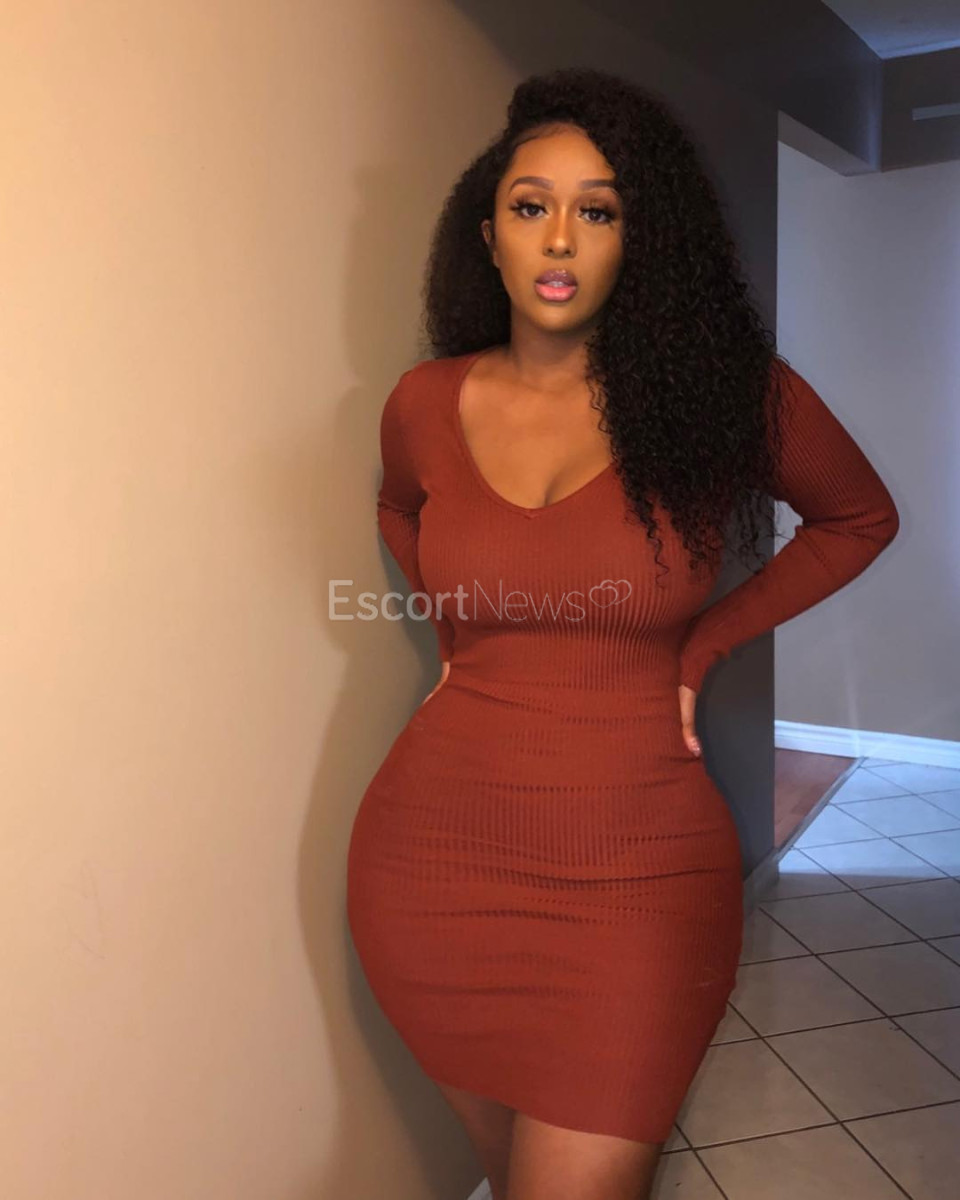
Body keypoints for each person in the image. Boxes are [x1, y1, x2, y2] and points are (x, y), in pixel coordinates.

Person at [346, 66, 899, 1200]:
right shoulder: (422, 403)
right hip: (434, 861)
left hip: (640, 879)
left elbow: (859, 518)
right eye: (529, 205)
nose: (559, 238)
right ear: (488, 235)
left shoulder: (726, 395)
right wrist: (460, 632)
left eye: (597, 211)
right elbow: (399, 511)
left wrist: (705, 644)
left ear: (638, 242)